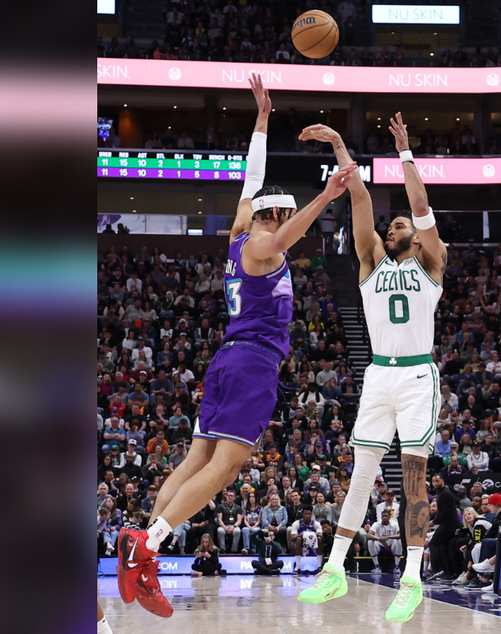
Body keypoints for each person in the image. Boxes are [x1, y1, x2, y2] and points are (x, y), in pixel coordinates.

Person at [117, 74, 356, 619]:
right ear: (275, 216)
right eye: (284, 212)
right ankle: (149, 543)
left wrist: (263, 120)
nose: (285, 222)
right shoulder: (263, 246)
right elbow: (286, 231)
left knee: (196, 457)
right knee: (225, 467)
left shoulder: (238, 233)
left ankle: (142, 552)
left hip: (229, 359)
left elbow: (250, 177)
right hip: (251, 362)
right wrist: (325, 195)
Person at [297, 114, 447, 624]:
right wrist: (339, 144)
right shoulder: (369, 262)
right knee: (361, 473)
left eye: (401, 224)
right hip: (379, 375)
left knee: (413, 477)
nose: (393, 226)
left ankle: (411, 578)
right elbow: (359, 196)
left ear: (419, 239)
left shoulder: (431, 263)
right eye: (392, 224)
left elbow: (421, 205)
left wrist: (405, 154)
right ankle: (335, 568)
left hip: (416, 377)